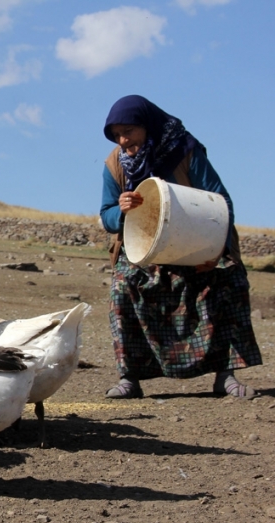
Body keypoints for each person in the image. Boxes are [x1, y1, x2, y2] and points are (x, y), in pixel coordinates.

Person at [99, 95, 262, 399]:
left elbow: (220, 201)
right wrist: (120, 209)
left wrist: (214, 251)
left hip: (193, 244)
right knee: (123, 286)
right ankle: (130, 378)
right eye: (117, 134)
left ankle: (225, 376)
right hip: (144, 249)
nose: (123, 140)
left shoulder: (185, 150)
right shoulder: (114, 165)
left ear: (147, 126)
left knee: (228, 279)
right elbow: (106, 217)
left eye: (129, 131)